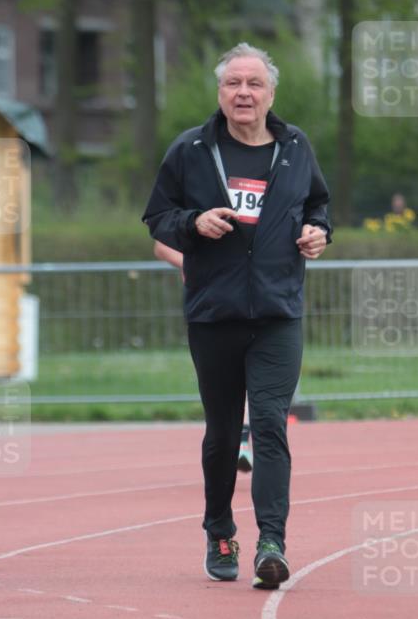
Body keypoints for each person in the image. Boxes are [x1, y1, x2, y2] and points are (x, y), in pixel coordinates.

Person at [142, 42, 331, 589]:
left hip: (277, 313)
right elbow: (157, 217)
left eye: (253, 84)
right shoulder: (192, 149)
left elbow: (318, 205)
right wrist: (193, 223)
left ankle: (272, 541)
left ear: (271, 93)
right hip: (214, 314)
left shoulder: (295, 147)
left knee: (270, 425)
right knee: (224, 434)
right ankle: (220, 529)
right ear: (220, 93)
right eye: (233, 84)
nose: (243, 92)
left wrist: (319, 232)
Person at [154, 239, 253, 472]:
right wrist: (198, 265)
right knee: (224, 381)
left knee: (251, 372)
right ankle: (228, 441)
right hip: (207, 305)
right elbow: (161, 246)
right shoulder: (194, 208)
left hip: (251, 301)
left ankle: (242, 441)